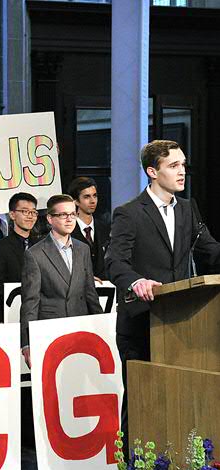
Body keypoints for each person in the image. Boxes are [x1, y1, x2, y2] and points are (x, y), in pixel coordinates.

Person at [105, 140, 220, 448]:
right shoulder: (128, 213)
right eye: (173, 166)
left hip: (179, 323)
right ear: (152, 172)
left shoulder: (188, 209)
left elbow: (210, 251)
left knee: (179, 398)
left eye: (183, 164)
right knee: (142, 401)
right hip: (141, 322)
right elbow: (115, 261)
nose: (182, 172)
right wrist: (135, 281)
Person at [20, 194, 103, 366]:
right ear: (50, 218)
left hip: (81, 327)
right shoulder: (35, 254)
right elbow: (30, 302)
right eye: (63, 215)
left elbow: (90, 294)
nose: (69, 219)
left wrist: (102, 329)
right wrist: (27, 342)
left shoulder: (83, 249)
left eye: (73, 214)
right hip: (51, 331)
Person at [0, 192, 39, 324]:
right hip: (12, 315)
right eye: (25, 211)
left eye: (33, 212)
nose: (30, 216)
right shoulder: (1, 248)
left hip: (41, 313)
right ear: (12, 215)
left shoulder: (42, 245)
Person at [68, 176, 110, 280]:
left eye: (95, 196)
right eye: (87, 197)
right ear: (76, 201)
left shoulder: (106, 229)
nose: (92, 201)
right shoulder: (67, 231)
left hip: (105, 289)